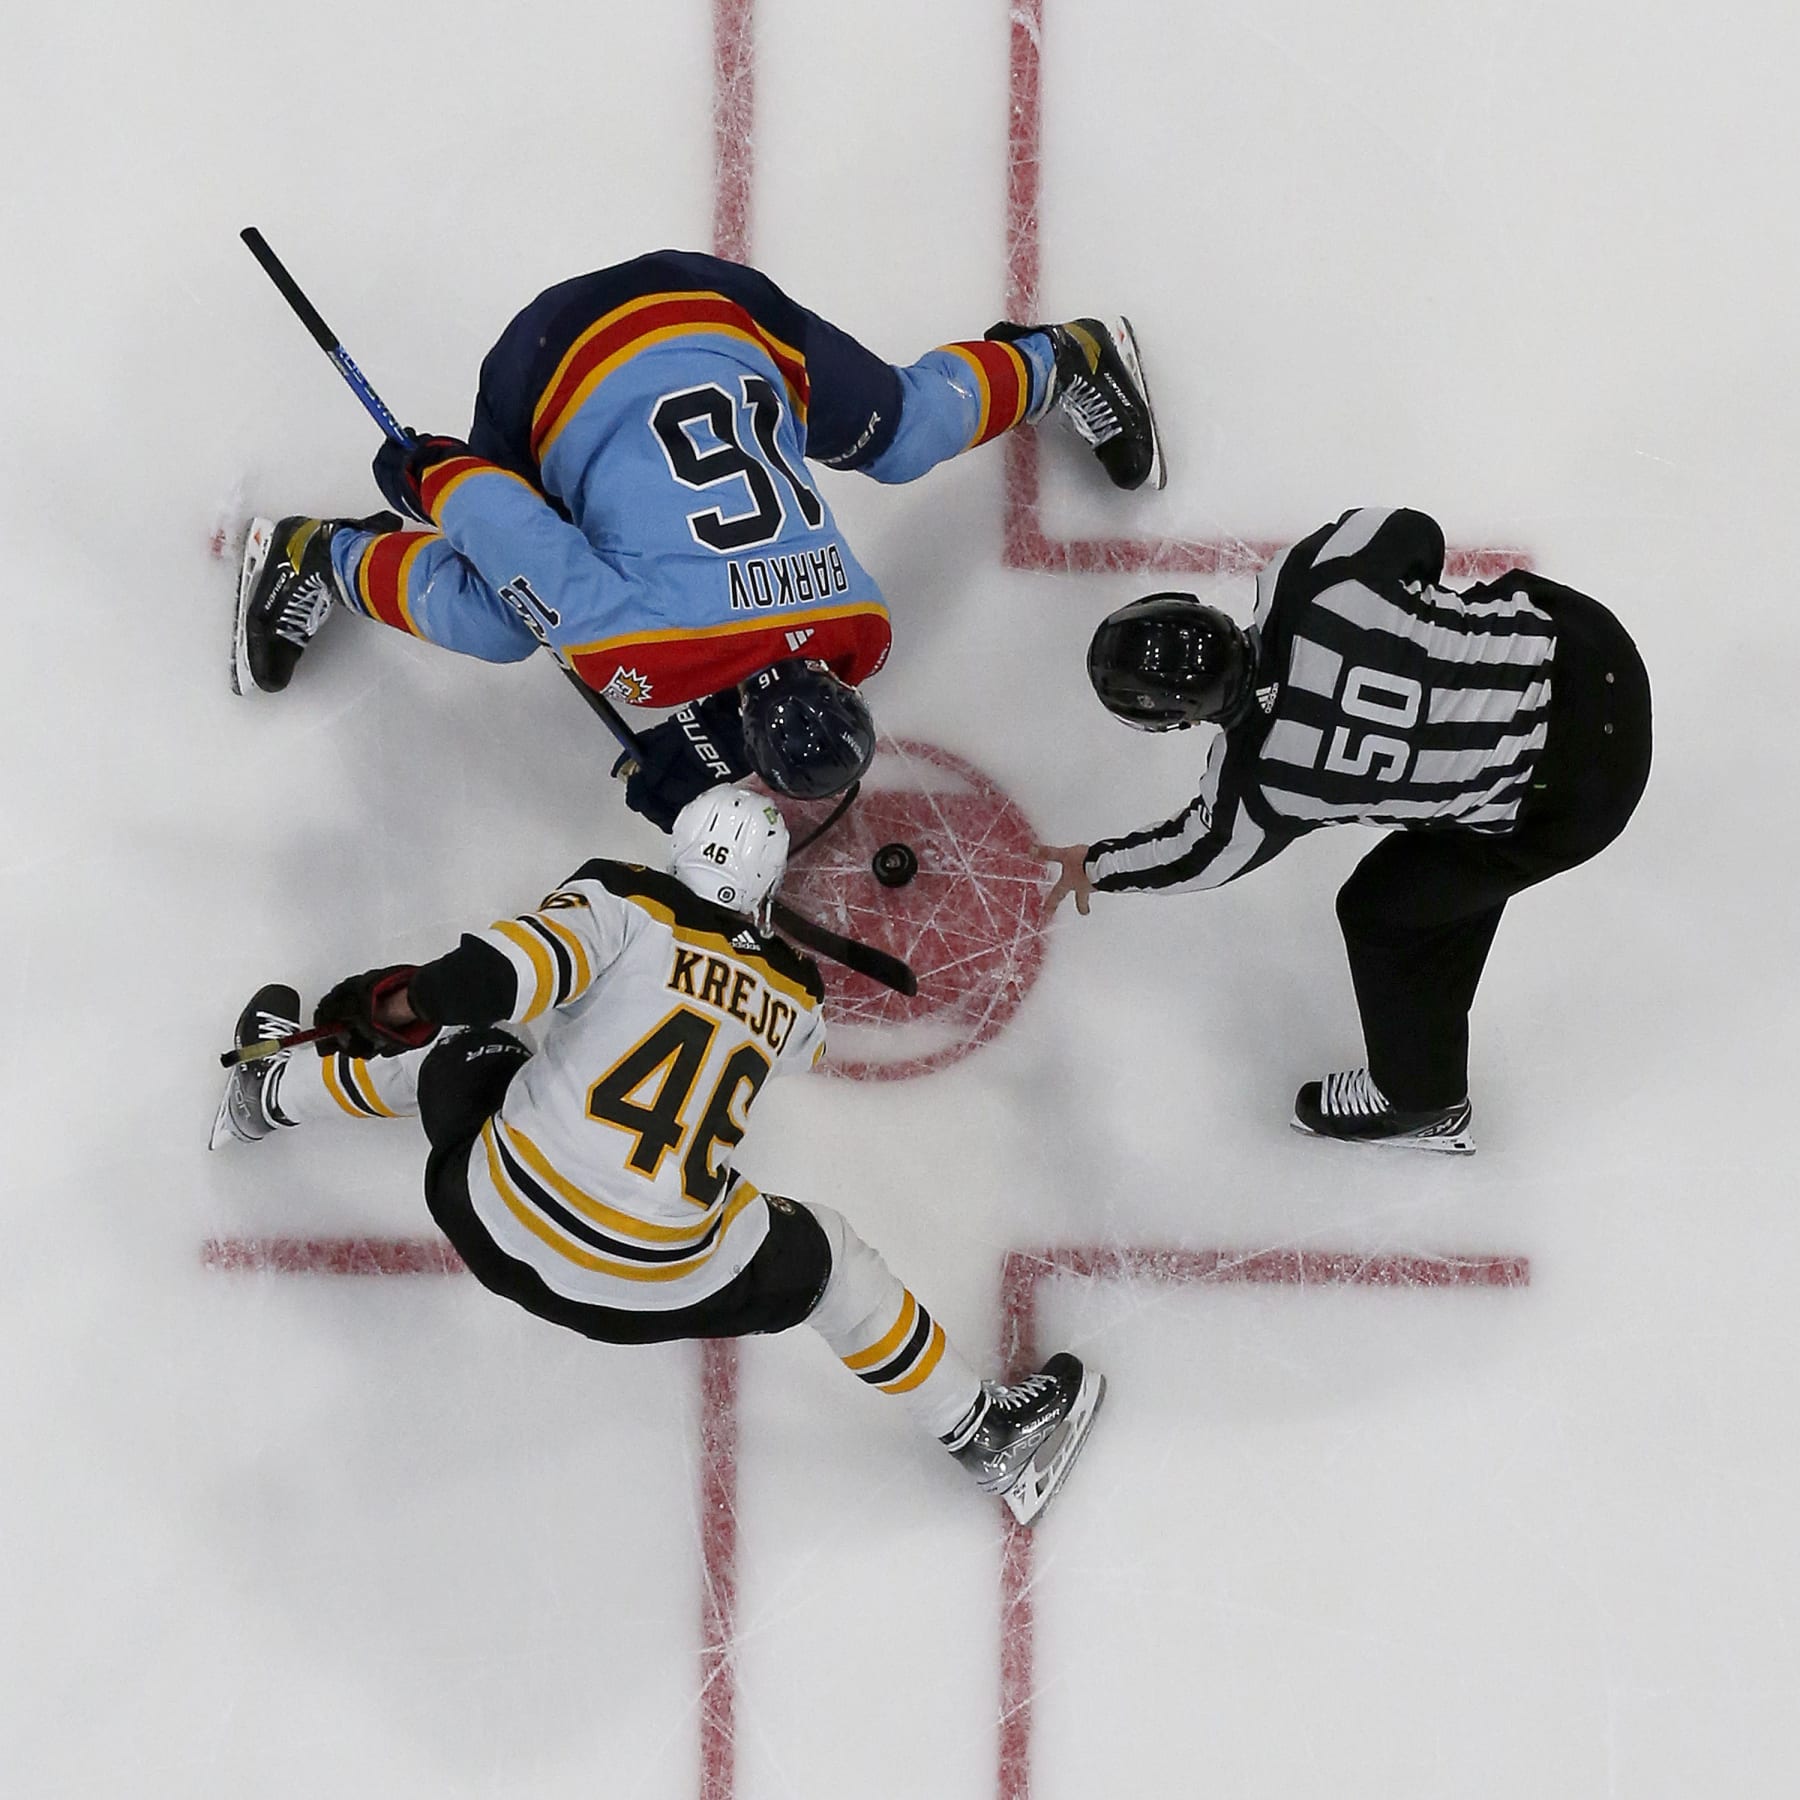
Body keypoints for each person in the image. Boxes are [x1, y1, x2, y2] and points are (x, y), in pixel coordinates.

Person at [210, 785, 1105, 1525]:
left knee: (466, 1052)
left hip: (490, 1214)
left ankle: (267, 1095)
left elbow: (492, 979)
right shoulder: (794, 997)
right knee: (833, 1264)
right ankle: (977, 1430)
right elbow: (795, 1042)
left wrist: (401, 999)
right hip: (649, 1290)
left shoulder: (622, 899)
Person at [232, 248, 1164, 822]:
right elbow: (512, 535)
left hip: (725, 311)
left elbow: (739, 636)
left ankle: (1062, 358)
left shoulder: (858, 629)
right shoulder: (633, 647)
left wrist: (712, 730)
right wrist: (432, 475)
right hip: (556, 354)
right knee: (501, 618)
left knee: (904, 431)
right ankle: (315, 555)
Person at [1037, 506, 1653, 1154]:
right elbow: (1416, 533)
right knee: (1449, 839)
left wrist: (1095, 865)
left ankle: (1423, 1102)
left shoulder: (1258, 781)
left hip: (1585, 798)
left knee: (1381, 911)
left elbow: (1195, 857)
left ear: (1174, 719)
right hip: (1592, 647)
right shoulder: (1307, 576)